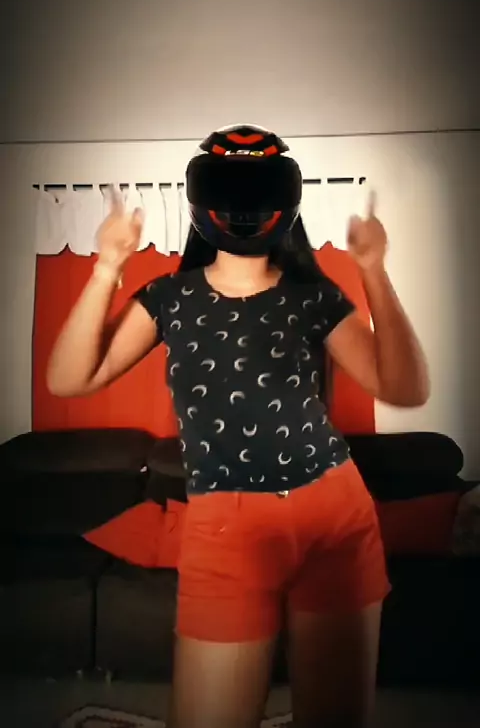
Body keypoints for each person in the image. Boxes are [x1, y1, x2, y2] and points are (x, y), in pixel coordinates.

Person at [47, 124, 430, 728]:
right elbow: (70, 379)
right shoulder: (169, 298)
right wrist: (107, 266)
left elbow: (406, 389)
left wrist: (374, 270)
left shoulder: (313, 296)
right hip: (225, 529)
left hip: (334, 516)